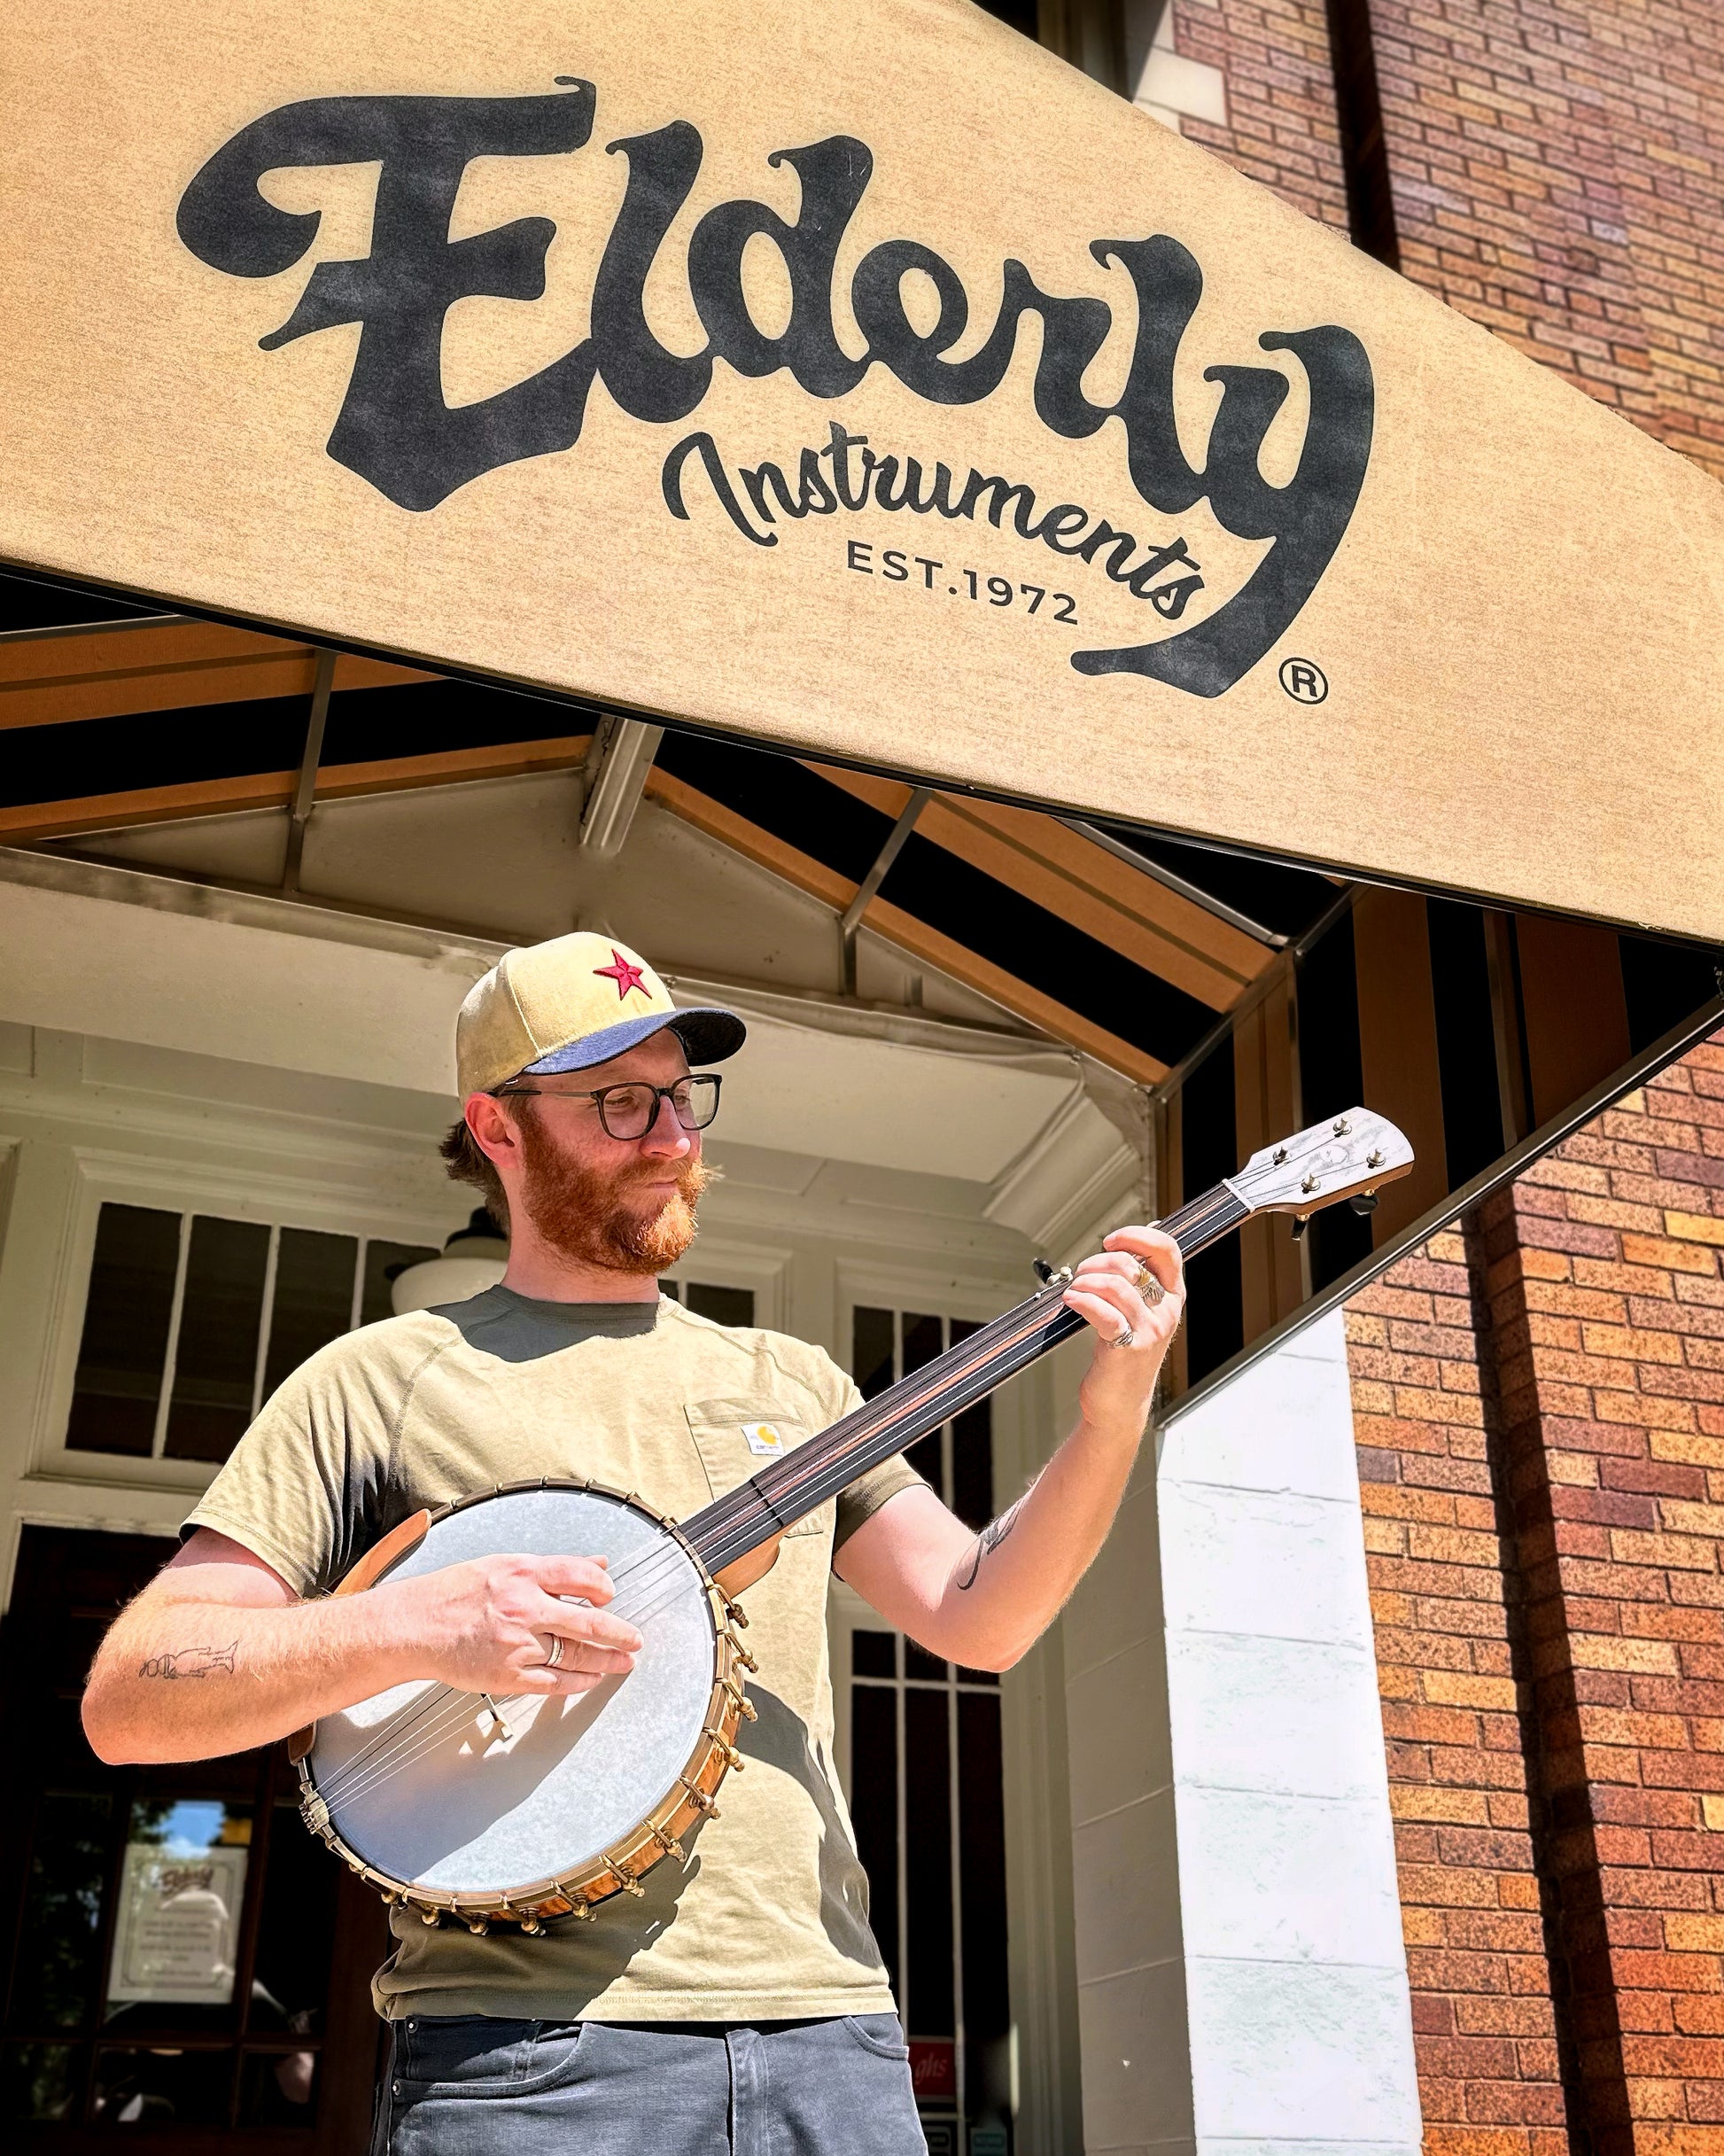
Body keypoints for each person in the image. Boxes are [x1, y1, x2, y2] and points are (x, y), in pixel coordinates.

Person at [82, 930, 1186, 2155]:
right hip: (526, 2054)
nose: (669, 1136)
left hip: (831, 2029)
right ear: (497, 1130)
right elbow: (133, 1698)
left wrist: (1109, 1409)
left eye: (679, 1095)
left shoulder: (793, 1379)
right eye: (618, 1101)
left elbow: (983, 1614)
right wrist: (417, 1622)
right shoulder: (380, 1381)